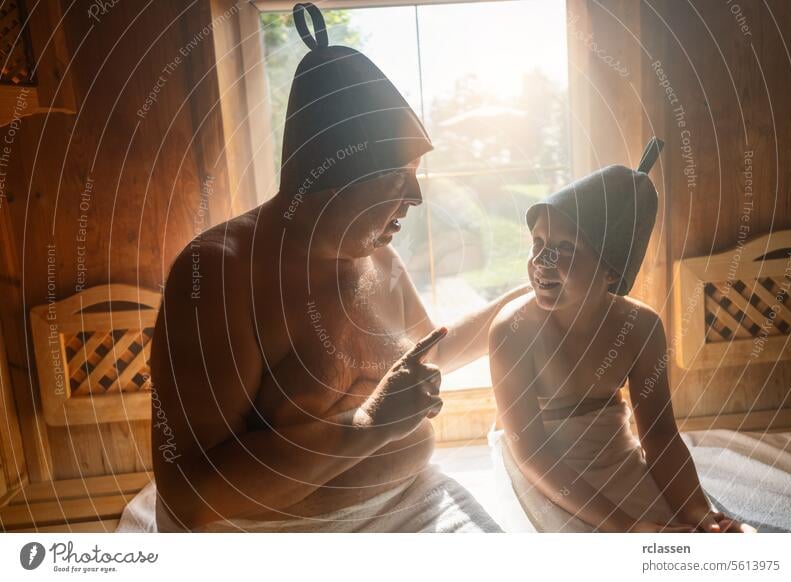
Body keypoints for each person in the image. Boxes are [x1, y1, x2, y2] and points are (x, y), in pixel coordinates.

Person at [118, 3, 528, 533]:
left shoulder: (379, 254)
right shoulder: (218, 277)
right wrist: (369, 427)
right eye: (397, 177)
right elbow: (194, 495)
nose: (417, 197)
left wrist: (525, 297)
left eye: (416, 174)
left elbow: (431, 353)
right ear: (329, 178)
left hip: (411, 501)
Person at [487, 138, 756, 533]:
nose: (543, 261)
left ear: (612, 271)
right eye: (538, 244)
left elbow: (660, 434)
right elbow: (530, 453)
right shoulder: (512, 331)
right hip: (538, 463)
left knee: (688, 541)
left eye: (564, 247)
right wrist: (626, 527)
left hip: (611, 447)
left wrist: (701, 513)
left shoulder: (641, 329)